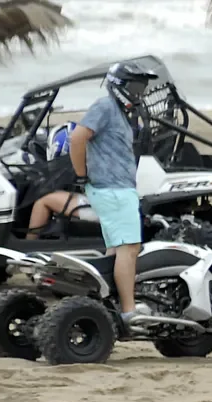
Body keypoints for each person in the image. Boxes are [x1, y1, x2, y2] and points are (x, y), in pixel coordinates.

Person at [67, 61, 158, 325]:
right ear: (119, 86)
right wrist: (81, 174)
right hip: (113, 190)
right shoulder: (105, 107)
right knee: (129, 248)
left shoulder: (118, 112)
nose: (139, 92)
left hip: (118, 189)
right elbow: (77, 137)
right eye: (136, 87)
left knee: (116, 249)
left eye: (142, 87)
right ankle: (129, 310)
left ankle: (109, 304)